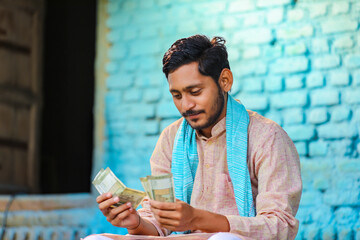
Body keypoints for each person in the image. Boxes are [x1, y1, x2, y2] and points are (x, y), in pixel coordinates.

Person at [91, 35, 302, 240]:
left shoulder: (267, 137)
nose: (186, 105)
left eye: (195, 91)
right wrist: (135, 222)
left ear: (225, 81)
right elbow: (159, 224)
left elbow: (280, 226)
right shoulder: (171, 138)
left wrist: (197, 219)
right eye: (177, 95)